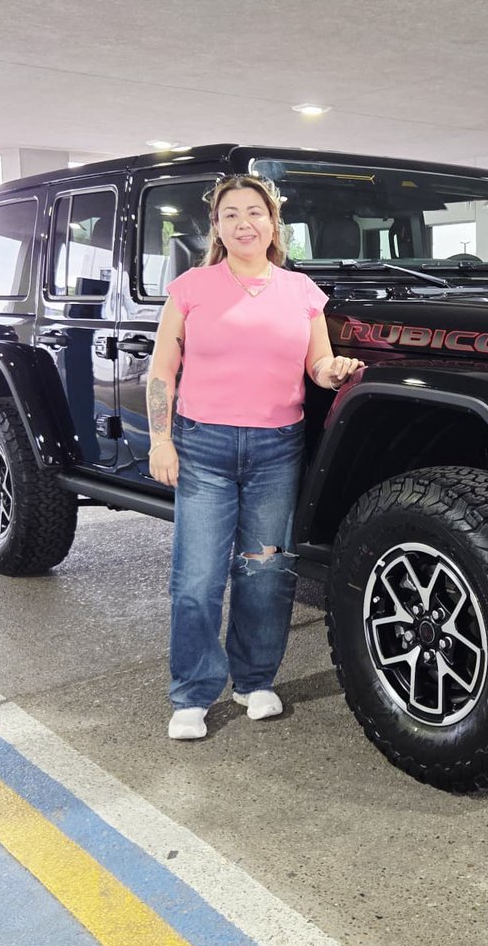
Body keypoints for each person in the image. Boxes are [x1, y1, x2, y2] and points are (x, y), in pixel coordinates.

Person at [146, 174, 364, 740]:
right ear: (217, 228)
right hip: (203, 447)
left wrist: (335, 371)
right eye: (231, 214)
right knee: (197, 579)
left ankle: (254, 681)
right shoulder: (191, 288)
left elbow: (317, 365)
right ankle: (192, 694)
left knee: (265, 573)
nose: (244, 223)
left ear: (273, 223)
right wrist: (161, 440)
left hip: (275, 449)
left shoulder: (302, 291)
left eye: (254, 212)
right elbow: (162, 370)